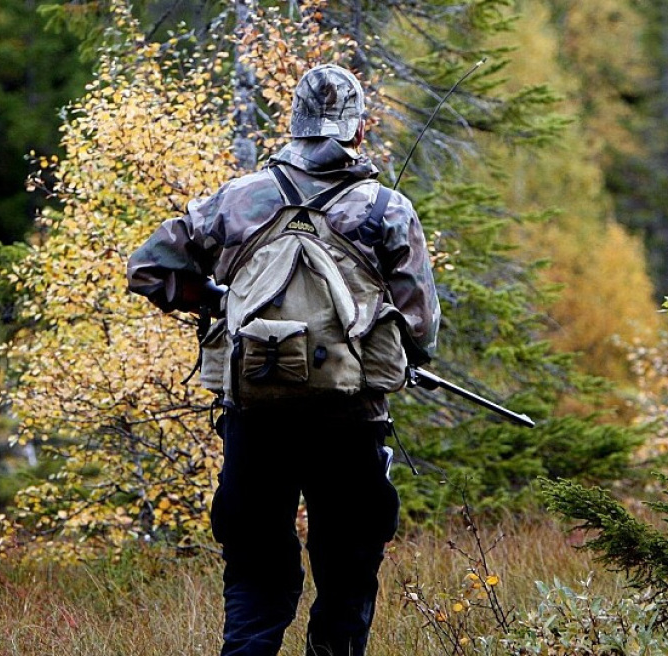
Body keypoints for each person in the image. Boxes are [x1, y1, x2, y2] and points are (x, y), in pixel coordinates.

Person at [126, 64, 440, 656]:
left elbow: (147, 268)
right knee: (346, 581)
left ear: (293, 126)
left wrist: (214, 300)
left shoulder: (237, 200)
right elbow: (420, 326)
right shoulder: (386, 210)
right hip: (350, 422)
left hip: (256, 421)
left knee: (256, 580)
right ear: (358, 132)